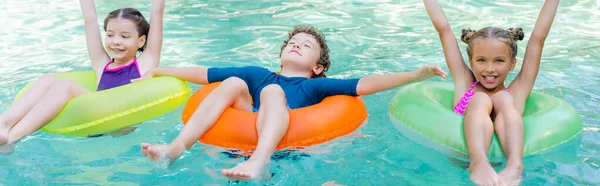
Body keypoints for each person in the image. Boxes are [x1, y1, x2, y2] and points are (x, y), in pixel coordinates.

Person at [137, 24, 447, 181]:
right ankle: (175, 149)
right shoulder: (257, 75)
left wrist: (413, 75)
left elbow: (364, 85)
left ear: (318, 67)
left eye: (306, 44)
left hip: (284, 154)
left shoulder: (315, 87)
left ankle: (260, 162)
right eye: (292, 42)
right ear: (282, 53)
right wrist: (157, 70)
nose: (296, 44)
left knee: (274, 94)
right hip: (234, 144)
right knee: (231, 82)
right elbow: (205, 74)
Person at [0, 0, 165, 154]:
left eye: (124, 36)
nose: (116, 41)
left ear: (141, 41)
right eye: (110, 35)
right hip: (96, 121)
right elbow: (90, 19)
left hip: (117, 125)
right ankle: (4, 123)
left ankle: (14, 138)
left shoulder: (145, 63)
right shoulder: (103, 65)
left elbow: (157, 11)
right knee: (47, 80)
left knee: (65, 85)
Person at [422, 0, 559, 185]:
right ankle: (478, 162)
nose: (490, 69)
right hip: (461, 166)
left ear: (513, 64)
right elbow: (443, 29)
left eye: (499, 61)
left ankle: (514, 165)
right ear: (471, 62)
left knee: (502, 98)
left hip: (507, 161)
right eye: (481, 60)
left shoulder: (516, 92)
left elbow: (538, 38)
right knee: (479, 99)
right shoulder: (465, 83)